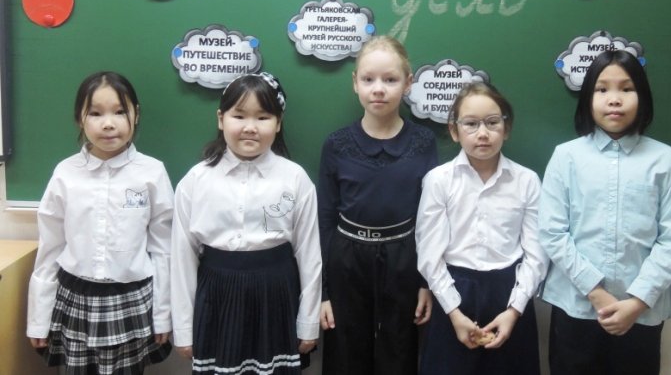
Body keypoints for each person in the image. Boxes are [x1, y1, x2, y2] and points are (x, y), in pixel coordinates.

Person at [538, 50, 671, 375]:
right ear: (587, 99)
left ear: (642, 97)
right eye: (602, 89)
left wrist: (637, 302)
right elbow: (552, 232)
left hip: (641, 311)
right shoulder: (566, 157)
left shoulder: (665, 160)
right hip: (576, 306)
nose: (614, 99)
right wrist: (596, 293)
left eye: (626, 88)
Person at [171, 72, 321, 374]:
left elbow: (309, 256)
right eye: (239, 116)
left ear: (278, 123)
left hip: (276, 295)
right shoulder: (196, 181)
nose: (250, 127)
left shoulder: (295, 179)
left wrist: (308, 322)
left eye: (263, 117)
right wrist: (184, 329)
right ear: (221, 119)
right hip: (216, 295)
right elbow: (181, 259)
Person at [27, 71, 173, 374]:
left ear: (136, 114)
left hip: (132, 299)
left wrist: (163, 314)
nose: (108, 123)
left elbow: (164, 249)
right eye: (95, 113)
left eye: (120, 111)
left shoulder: (152, 172)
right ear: (79, 119)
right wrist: (38, 319)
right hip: (75, 298)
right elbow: (50, 247)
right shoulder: (66, 173)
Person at [318, 35, 438, 375]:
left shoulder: (424, 142)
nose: (378, 89)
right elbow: (325, 219)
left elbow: (431, 218)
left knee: (399, 351)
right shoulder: (336, 144)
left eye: (390, 79)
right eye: (368, 79)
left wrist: (426, 283)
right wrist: (324, 293)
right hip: (347, 261)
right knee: (346, 355)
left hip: (404, 260)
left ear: (408, 83)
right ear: (355, 83)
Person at [415, 82, 547, 375]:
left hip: (510, 293)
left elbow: (537, 255)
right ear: (454, 131)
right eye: (471, 124)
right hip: (452, 292)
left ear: (506, 128)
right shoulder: (439, 180)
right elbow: (429, 255)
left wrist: (514, 311)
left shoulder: (527, 181)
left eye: (492, 122)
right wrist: (454, 313)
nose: (483, 133)